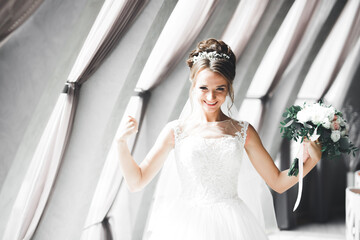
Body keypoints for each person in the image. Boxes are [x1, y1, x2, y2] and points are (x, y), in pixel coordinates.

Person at [116, 38, 322, 240]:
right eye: (203, 88)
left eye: (219, 89)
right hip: (187, 225)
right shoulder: (175, 131)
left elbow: (278, 182)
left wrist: (311, 161)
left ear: (229, 88)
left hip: (233, 224)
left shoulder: (243, 131)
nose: (211, 97)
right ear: (193, 84)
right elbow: (136, 181)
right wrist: (121, 143)